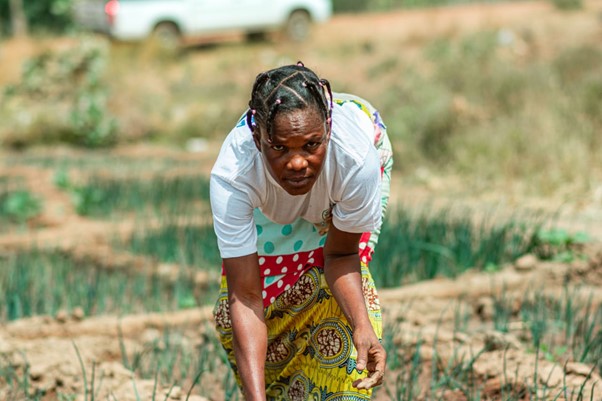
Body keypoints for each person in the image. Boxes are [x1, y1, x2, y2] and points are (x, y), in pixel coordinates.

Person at [210, 62, 393, 401]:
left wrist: (362, 327)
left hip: (340, 190)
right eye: (280, 147)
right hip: (268, 193)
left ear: (328, 129)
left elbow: (340, 256)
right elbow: (246, 296)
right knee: (242, 307)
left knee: (331, 299)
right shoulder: (234, 174)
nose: (297, 162)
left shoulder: (356, 160)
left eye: (311, 145)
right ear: (257, 138)